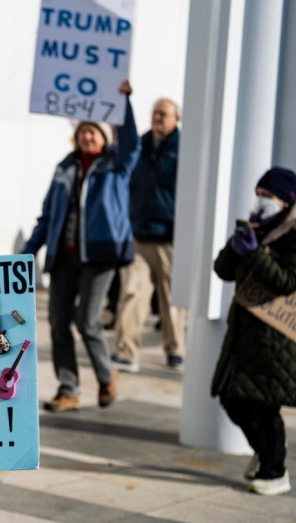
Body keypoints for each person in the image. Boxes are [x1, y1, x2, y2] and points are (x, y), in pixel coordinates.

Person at [22, 81, 139, 412]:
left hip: (100, 255)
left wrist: (125, 102)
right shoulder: (66, 166)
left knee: (87, 322)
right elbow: (48, 215)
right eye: (84, 131)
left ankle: (106, 375)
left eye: (95, 132)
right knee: (59, 324)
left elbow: (132, 144)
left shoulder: (117, 165)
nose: (88, 137)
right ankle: (68, 388)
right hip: (64, 256)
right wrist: (27, 252)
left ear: (105, 137)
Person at [213, 167, 296, 496]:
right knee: (231, 398)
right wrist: (237, 248)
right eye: (259, 194)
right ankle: (265, 453)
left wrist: (255, 253)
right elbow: (222, 270)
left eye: (268, 196)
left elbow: (288, 280)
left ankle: (275, 471)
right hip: (245, 332)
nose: (261, 200)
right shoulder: (256, 226)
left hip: (278, 338)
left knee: (266, 407)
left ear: (285, 200)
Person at [113, 97, 185, 371]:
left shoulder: (185, 149)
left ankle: (175, 349)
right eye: (155, 113)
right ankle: (126, 352)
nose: (157, 118)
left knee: (172, 299)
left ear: (176, 119)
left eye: (163, 114)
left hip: (169, 238)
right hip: (139, 235)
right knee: (132, 293)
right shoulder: (140, 145)